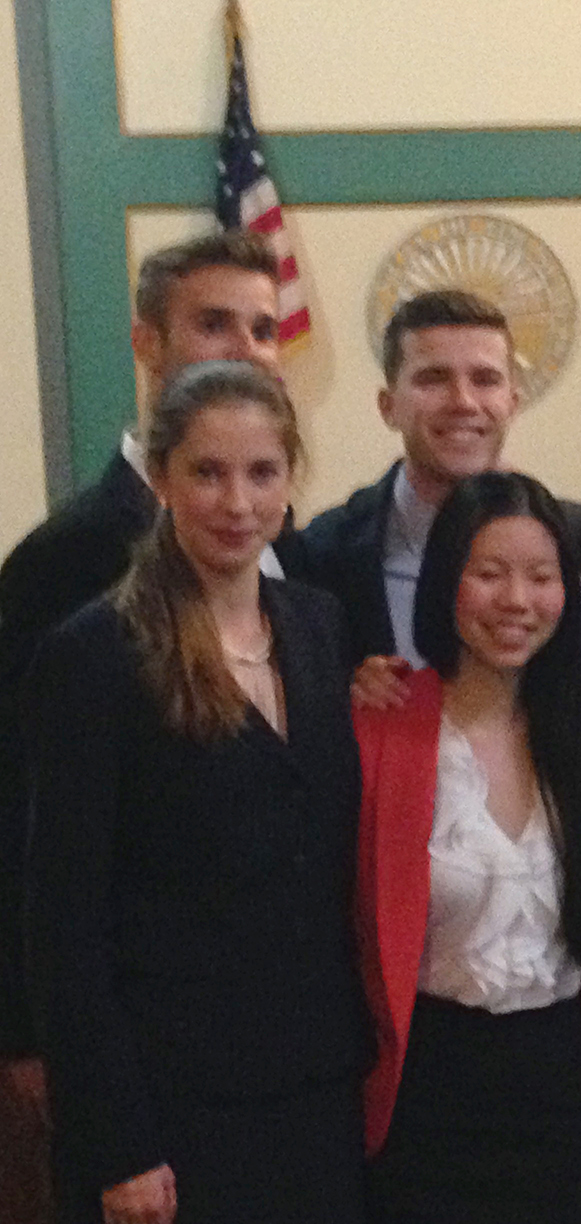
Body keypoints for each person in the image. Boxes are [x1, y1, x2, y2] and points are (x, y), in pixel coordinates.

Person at [27, 361, 368, 1224]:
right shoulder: (97, 653)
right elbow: (64, 925)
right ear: (161, 480)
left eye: (262, 473)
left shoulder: (319, 629)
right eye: (207, 473)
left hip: (315, 1089)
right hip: (169, 1106)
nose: (238, 502)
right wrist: (120, 1146)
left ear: (292, 479)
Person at [0, 234, 285, 1160]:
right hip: (135, 1038)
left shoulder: (287, 545)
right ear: (146, 344)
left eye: (263, 328)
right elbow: (22, 816)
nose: (244, 348)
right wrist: (30, 1034)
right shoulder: (71, 558)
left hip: (271, 1042)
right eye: (214, 324)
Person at [352, 471, 581, 1224]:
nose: (517, 601)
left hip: (562, 1095)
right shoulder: (383, 726)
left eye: (541, 577)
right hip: (426, 1093)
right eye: (489, 574)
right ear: (447, 582)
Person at [281, 289, 581, 670]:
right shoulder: (322, 553)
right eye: (434, 379)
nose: (463, 402)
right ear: (389, 407)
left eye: (485, 379)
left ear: (512, 403)